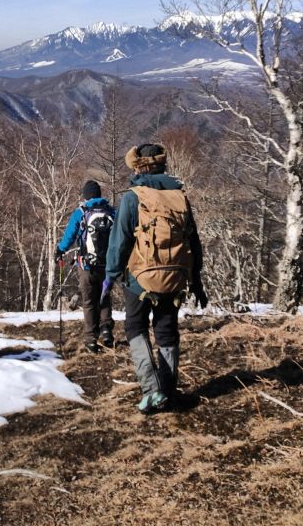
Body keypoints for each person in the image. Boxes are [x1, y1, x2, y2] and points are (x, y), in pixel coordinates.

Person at [103, 143, 208, 414]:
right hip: (175, 277)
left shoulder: (133, 197)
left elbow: (120, 241)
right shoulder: (180, 196)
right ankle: (169, 392)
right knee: (167, 331)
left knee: (135, 327)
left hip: (140, 278)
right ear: (163, 165)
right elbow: (193, 242)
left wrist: (111, 275)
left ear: (138, 167)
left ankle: (151, 391)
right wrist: (196, 280)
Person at [55, 180, 115, 353]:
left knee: (89, 302)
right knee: (104, 297)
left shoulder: (81, 213)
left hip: (87, 266)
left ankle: (90, 340)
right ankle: (106, 331)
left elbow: (70, 236)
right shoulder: (111, 211)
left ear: (85, 195)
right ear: (99, 194)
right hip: (107, 266)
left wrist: (60, 250)